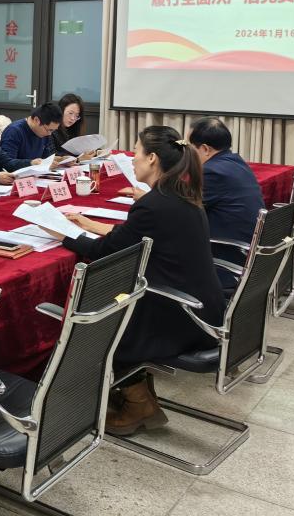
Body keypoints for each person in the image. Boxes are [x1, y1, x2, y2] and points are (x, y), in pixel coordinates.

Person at [50, 126, 225, 436]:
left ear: (153, 158)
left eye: (137, 153)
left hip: (182, 315)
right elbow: (127, 237)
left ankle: (138, 404)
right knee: (118, 299)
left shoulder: (154, 204)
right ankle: (138, 393)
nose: (132, 160)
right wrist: (89, 224)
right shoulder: (179, 195)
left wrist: (61, 234)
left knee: (100, 318)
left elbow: (107, 251)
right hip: (202, 306)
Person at [188, 116, 265, 271]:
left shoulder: (211, 172)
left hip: (230, 256)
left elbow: (182, 209)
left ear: (205, 149)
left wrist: (148, 197)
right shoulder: (236, 162)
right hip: (252, 252)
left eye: (189, 147)